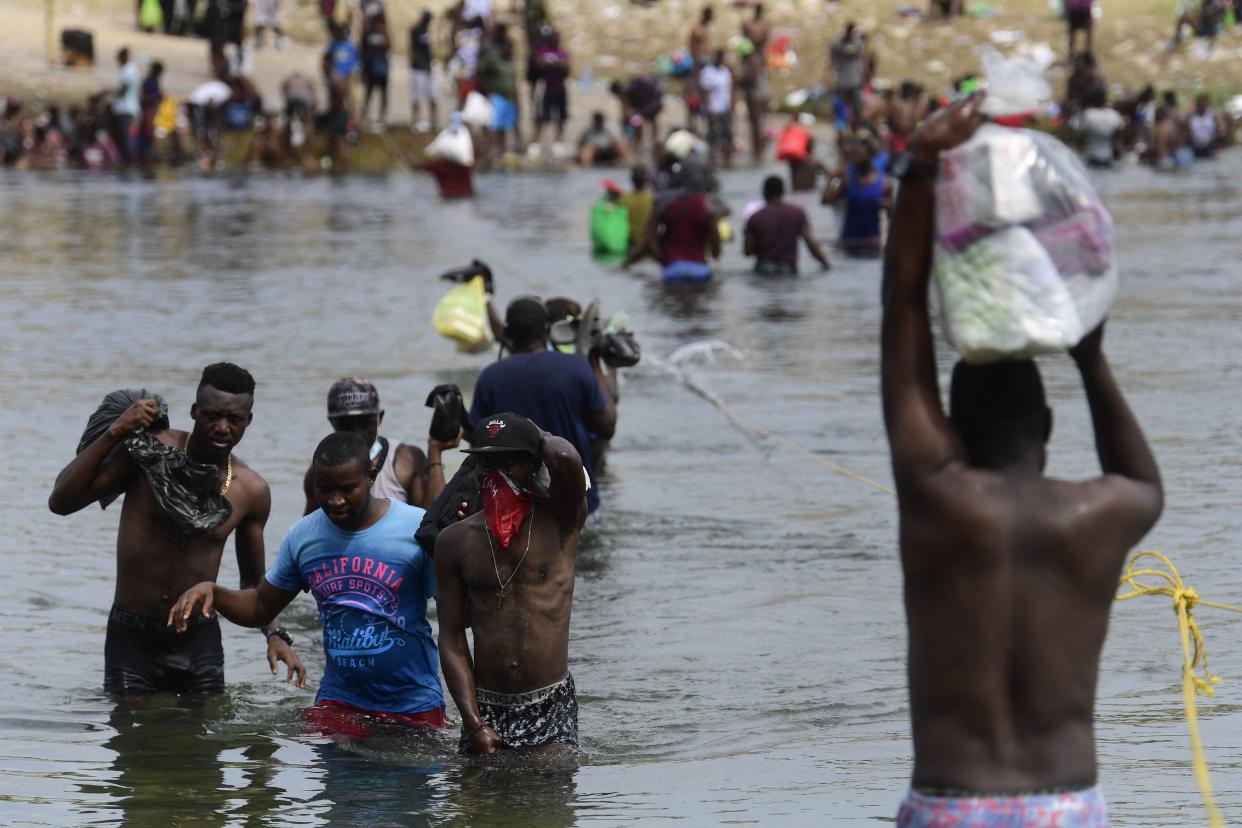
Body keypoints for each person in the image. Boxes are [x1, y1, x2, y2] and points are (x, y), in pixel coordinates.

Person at [881, 96, 1163, 826]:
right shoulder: (1101, 513)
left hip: (950, 802)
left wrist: (918, 168)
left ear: (952, 429)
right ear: (1047, 422)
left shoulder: (937, 495)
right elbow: (1144, 482)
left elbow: (903, 314)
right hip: (1066, 805)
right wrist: (1090, 353)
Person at [49, 364, 304, 698]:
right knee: (131, 740)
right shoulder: (149, 454)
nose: (222, 428)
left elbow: (253, 585)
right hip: (131, 636)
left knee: (199, 744)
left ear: (248, 421)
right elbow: (62, 501)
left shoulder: (251, 491)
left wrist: (275, 634)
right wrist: (115, 431)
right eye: (212, 415)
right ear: (194, 411)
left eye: (235, 419)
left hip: (197, 640)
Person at [169, 431, 448, 734]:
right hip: (340, 701)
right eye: (324, 489)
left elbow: (454, 620)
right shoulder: (304, 537)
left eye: (347, 489)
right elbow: (261, 605)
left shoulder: (416, 529)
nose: (335, 500)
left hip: (414, 704)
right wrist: (213, 591)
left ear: (370, 476)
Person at [435, 413, 587, 754]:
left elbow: (566, 458)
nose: (495, 474)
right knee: (478, 803)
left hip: (551, 703)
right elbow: (451, 635)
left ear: (533, 465)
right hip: (486, 709)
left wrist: (538, 432)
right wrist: (474, 723)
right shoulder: (455, 541)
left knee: (552, 795)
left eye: (507, 463)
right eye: (486, 463)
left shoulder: (563, 521)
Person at [470, 298, 616, 518]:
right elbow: (607, 427)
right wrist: (596, 361)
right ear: (548, 328)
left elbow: (478, 441)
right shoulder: (576, 367)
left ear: (507, 334)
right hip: (577, 502)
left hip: (514, 511)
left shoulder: (490, 377)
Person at [302, 378, 457, 515]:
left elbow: (431, 521)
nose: (356, 434)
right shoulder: (321, 471)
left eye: (364, 424)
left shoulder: (406, 460)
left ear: (379, 417)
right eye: (346, 425)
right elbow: (309, 531)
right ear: (331, 422)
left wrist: (435, 451)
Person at [823, 134, 893, 256]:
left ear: (872, 156)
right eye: (853, 157)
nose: (856, 160)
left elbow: (891, 218)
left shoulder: (885, 184)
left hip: (873, 243)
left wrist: (890, 206)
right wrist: (830, 179)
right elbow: (825, 201)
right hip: (849, 242)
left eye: (860, 156)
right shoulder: (848, 180)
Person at [745, 175, 831, 275]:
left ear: (764, 192)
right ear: (783, 191)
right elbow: (810, 243)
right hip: (788, 270)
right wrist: (826, 264)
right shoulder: (797, 213)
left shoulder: (755, 217)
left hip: (763, 270)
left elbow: (748, 251)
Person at [477, 23, 520, 157]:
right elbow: (480, 72)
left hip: (510, 97)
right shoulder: (493, 57)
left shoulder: (509, 64)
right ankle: (490, 151)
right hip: (497, 96)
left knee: (506, 126)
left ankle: (502, 151)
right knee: (494, 126)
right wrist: (487, 89)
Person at [739, 3, 771, 165]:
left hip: (757, 88)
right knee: (755, 121)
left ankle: (759, 151)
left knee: (757, 121)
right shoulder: (747, 25)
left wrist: (737, 80)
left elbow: (751, 78)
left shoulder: (755, 59)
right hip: (755, 86)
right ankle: (757, 150)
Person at [610, 75, 664, 160]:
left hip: (650, 103)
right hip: (654, 101)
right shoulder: (630, 85)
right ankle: (651, 143)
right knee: (648, 120)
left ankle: (639, 145)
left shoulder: (626, 91)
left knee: (638, 121)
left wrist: (626, 119)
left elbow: (626, 110)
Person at [699, 49, 734, 169]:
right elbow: (706, 93)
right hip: (714, 109)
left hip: (725, 107)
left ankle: (727, 160)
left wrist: (732, 106)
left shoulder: (725, 71)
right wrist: (710, 109)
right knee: (713, 135)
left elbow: (730, 90)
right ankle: (712, 159)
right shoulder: (707, 72)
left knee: (727, 134)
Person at [1072, 88, 1124, 168]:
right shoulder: (1114, 115)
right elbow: (1119, 135)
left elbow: (1080, 135)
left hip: (1092, 157)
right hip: (1108, 157)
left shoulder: (1089, 114)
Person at [534, 28, 570, 144]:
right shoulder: (543, 50)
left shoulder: (563, 52)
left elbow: (566, 68)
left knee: (561, 116)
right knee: (543, 116)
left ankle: (558, 141)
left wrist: (552, 64)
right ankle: (538, 140)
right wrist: (557, 64)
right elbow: (540, 65)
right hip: (547, 88)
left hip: (560, 89)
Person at [829, 23, 867, 127]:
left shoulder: (858, 43)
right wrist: (829, 78)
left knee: (856, 108)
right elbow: (832, 61)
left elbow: (862, 60)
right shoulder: (838, 43)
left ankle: (854, 128)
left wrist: (864, 76)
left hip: (854, 80)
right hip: (843, 81)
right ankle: (841, 128)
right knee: (841, 107)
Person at [359, 8, 392, 128]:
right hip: (370, 67)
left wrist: (384, 34)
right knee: (368, 92)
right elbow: (362, 48)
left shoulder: (384, 33)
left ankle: (382, 117)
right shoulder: (368, 33)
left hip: (382, 67)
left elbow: (389, 47)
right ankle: (365, 116)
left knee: (383, 93)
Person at [684, 6, 714, 130]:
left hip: (702, 65)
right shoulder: (698, 30)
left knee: (703, 97)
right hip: (698, 66)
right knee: (695, 98)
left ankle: (701, 124)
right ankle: (693, 125)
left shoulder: (704, 29)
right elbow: (695, 50)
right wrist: (697, 70)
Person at [409, 10, 438, 132]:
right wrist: (424, 65)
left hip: (428, 68)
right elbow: (415, 50)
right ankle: (415, 121)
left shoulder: (427, 31)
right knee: (417, 96)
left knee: (433, 96)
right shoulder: (415, 31)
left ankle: (433, 122)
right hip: (418, 69)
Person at [112, 48, 140, 164]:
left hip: (125, 109)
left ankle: (128, 163)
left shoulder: (128, 69)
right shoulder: (132, 69)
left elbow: (124, 89)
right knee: (128, 139)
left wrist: (107, 91)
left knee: (126, 140)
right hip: (130, 109)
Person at [618, 164, 654, 252]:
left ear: (631, 180)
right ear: (647, 180)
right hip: (648, 245)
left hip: (630, 245)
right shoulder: (653, 200)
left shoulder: (623, 199)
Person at [136, 61, 163, 165]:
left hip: (153, 113)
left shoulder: (155, 81)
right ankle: (145, 159)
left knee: (150, 136)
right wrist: (156, 96)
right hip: (148, 112)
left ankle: (149, 159)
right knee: (147, 136)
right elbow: (144, 98)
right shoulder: (148, 81)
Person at [1188, 92, 1223, 158]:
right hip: (1196, 146)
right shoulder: (1191, 116)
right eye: (1199, 102)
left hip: (1211, 145)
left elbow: (1219, 132)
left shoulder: (1213, 115)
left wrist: (1214, 143)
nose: (1201, 104)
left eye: (1203, 102)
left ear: (1207, 103)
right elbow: (1188, 132)